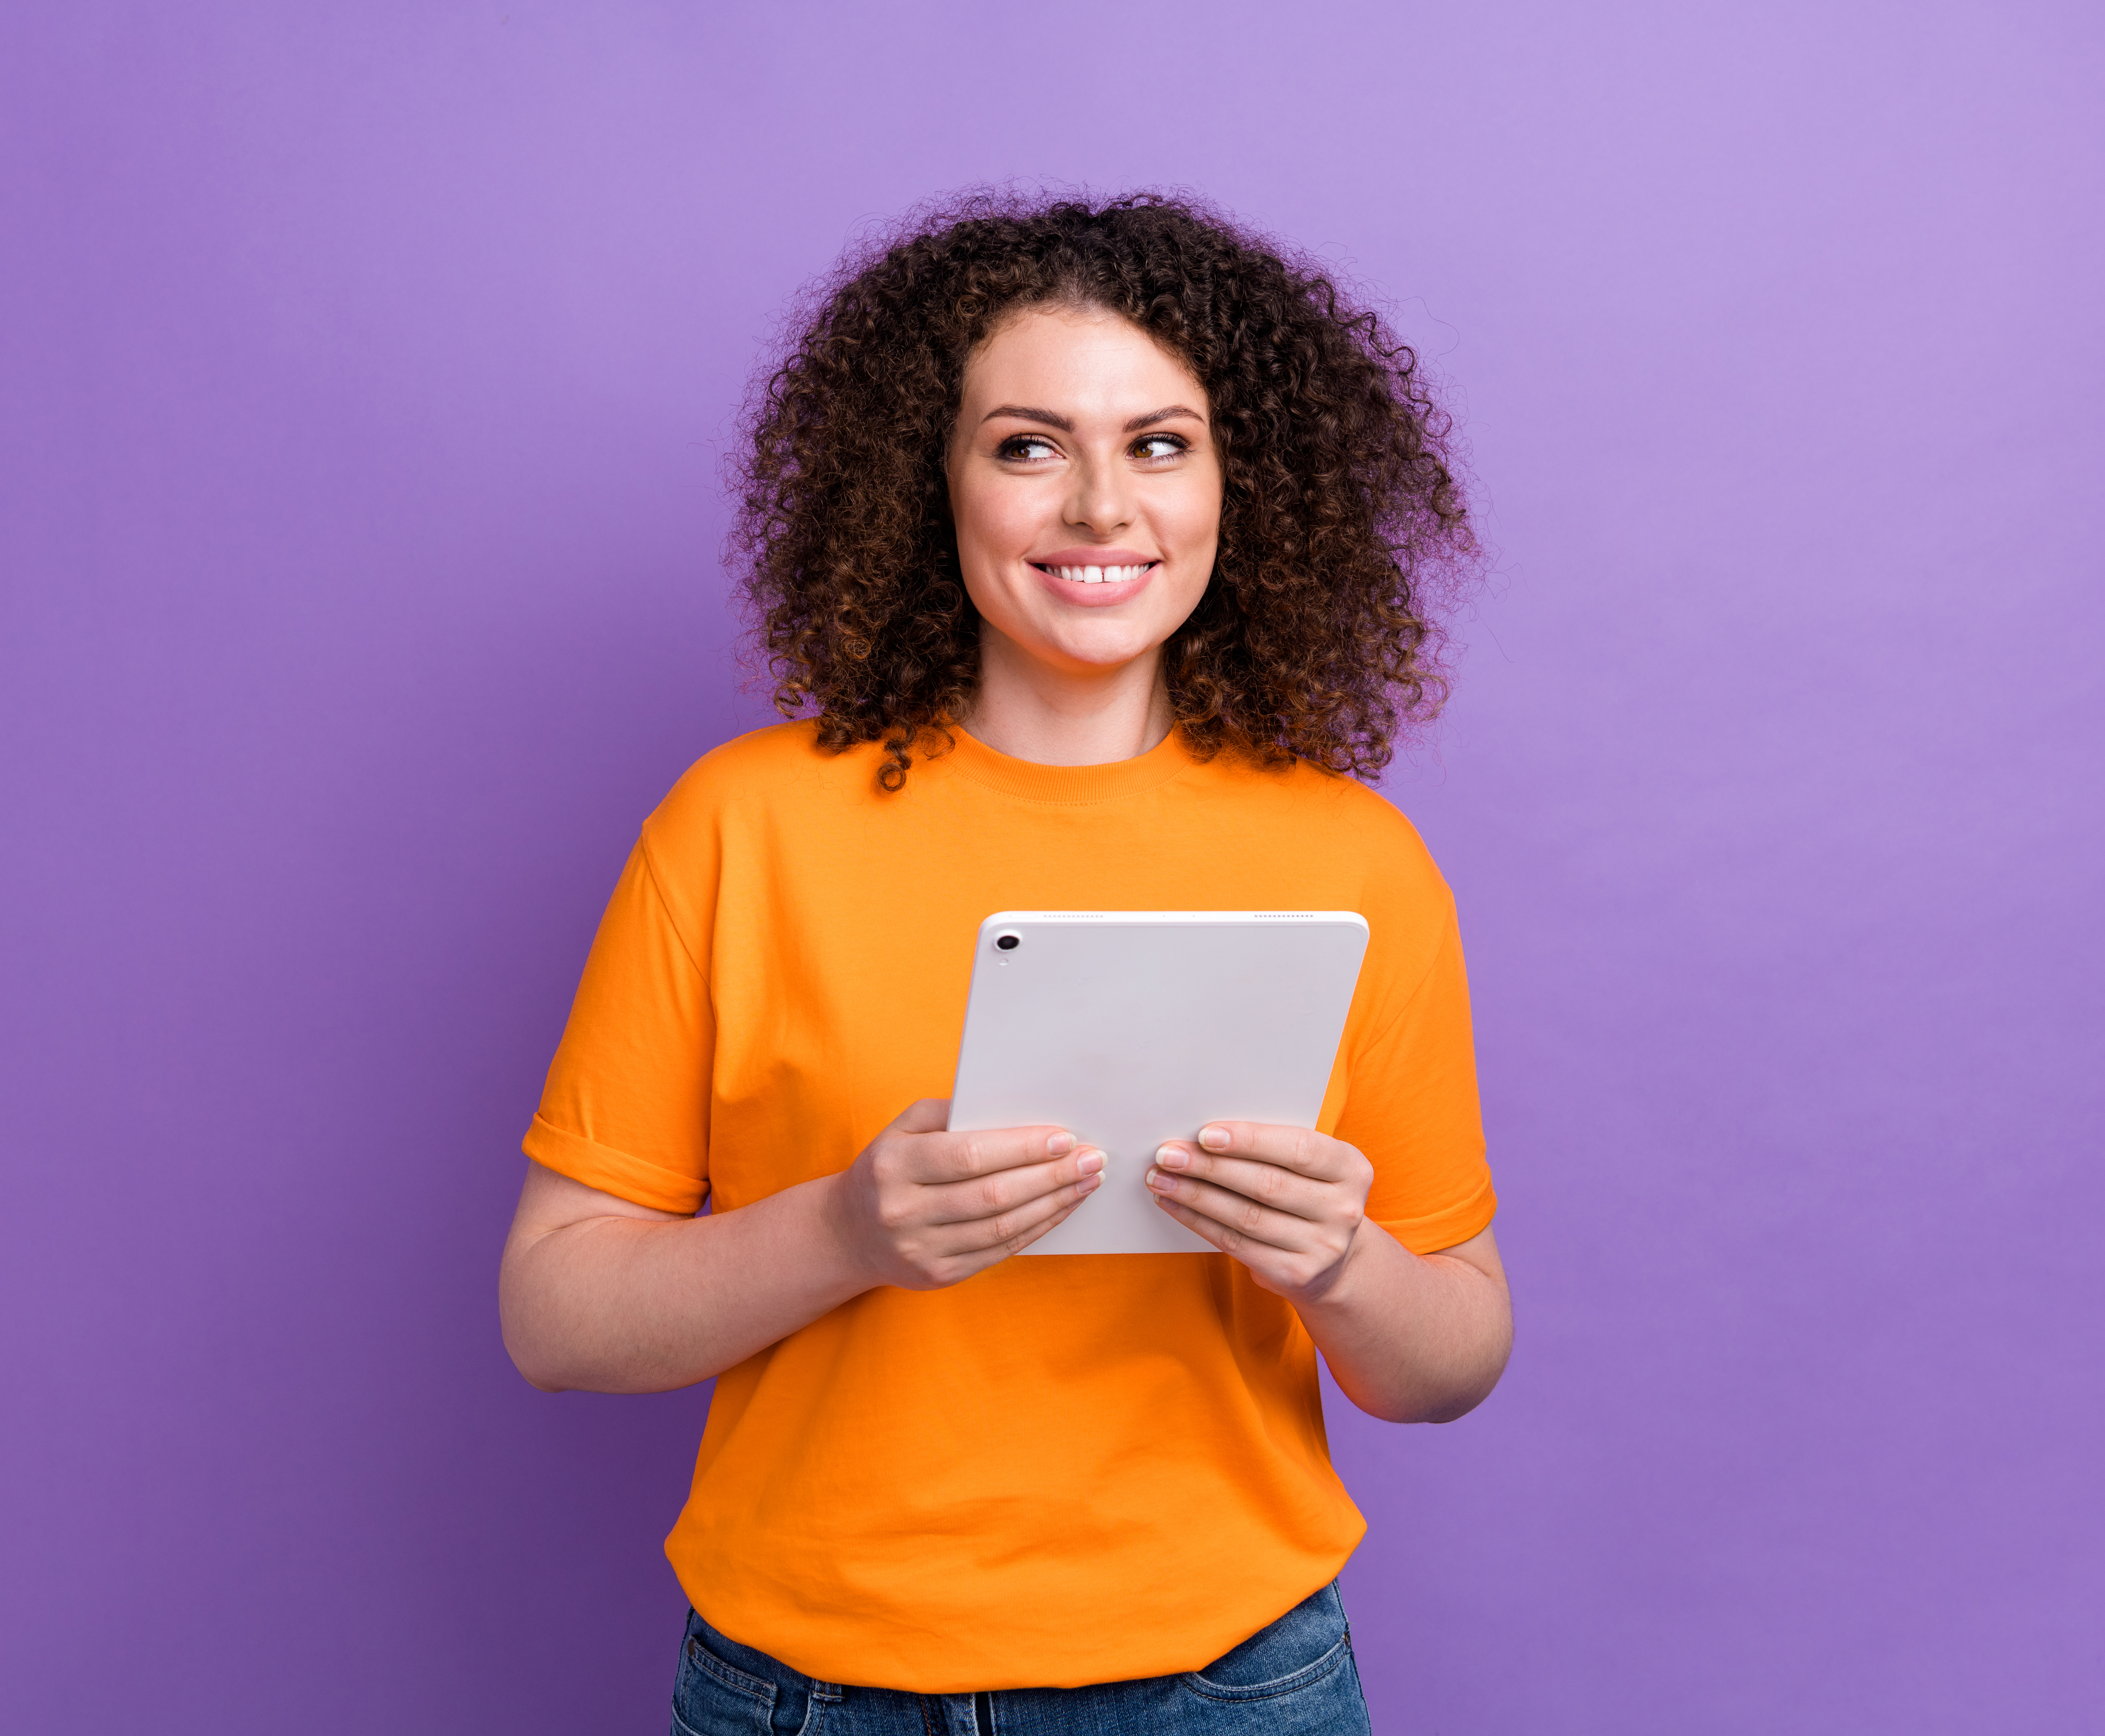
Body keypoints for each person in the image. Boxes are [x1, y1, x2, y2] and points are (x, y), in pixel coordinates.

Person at [499, 191, 1511, 1733]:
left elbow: (1453, 1359)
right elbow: (554, 1317)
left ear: (1243, 487)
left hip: (1227, 1681)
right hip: (803, 1688)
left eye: (1161, 443)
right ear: (935, 483)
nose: (1103, 506)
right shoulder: (739, 825)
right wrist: (845, 1229)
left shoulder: (1356, 861)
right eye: (1030, 444)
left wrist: (1340, 1263)